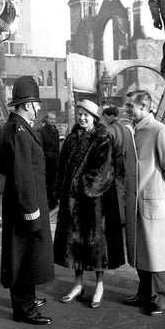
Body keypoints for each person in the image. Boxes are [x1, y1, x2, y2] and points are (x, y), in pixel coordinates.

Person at [54, 100, 125, 309]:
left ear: (94, 117)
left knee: (96, 247)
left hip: (95, 202)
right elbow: (62, 167)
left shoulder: (102, 138)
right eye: (80, 114)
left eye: (86, 115)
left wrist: (78, 186)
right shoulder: (71, 138)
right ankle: (77, 284)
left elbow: (104, 172)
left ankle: (100, 286)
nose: (82, 118)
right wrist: (61, 190)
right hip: (73, 201)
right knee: (75, 245)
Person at [0, 76, 55, 325]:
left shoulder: (13, 127)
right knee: (22, 256)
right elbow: (22, 174)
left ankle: (27, 299)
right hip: (27, 204)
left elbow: (2, 165)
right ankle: (25, 310)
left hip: (24, 201)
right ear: (29, 105)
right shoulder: (20, 131)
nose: (39, 108)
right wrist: (31, 209)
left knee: (27, 255)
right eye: (37, 104)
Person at [123, 90, 165, 316]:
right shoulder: (135, 131)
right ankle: (146, 293)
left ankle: (164, 298)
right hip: (138, 201)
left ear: (145, 107)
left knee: (158, 253)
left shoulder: (160, 131)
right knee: (142, 251)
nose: (127, 110)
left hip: (153, 200)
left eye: (130, 106)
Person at [101, 105, 129, 225]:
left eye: (105, 117)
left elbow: (108, 148)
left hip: (116, 161)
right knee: (122, 188)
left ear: (111, 116)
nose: (105, 119)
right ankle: (124, 217)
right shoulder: (124, 126)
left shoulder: (111, 129)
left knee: (116, 189)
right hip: (124, 160)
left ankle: (120, 218)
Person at [36, 112, 60, 211]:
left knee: (54, 181)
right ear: (46, 119)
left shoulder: (56, 130)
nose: (53, 121)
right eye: (51, 119)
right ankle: (48, 202)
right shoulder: (41, 131)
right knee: (47, 182)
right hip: (47, 160)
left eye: (54, 119)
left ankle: (53, 201)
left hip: (55, 160)